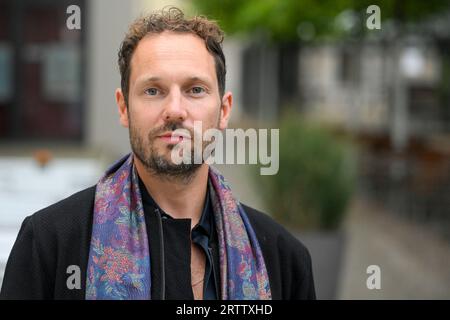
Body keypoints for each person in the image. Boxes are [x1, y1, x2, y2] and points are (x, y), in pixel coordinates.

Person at [0, 7, 315, 300]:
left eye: (195, 89)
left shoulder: (283, 259)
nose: (175, 110)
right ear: (124, 107)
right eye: (153, 90)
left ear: (224, 110)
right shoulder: (48, 246)